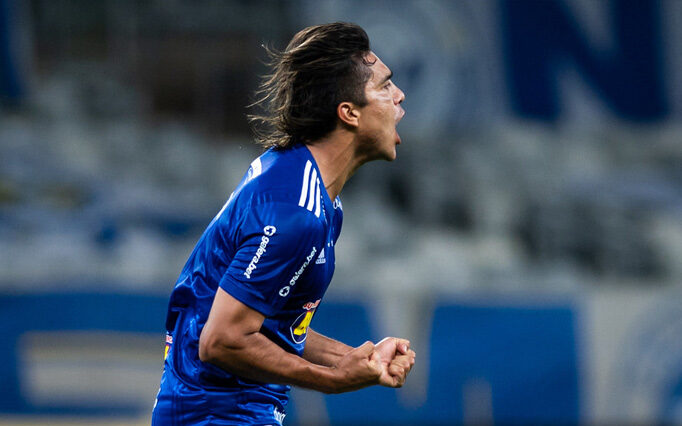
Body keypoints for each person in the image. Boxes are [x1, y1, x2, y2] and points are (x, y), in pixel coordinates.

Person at [151, 22, 415, 425]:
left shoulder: (312, 192)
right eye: (385, 86)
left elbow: (274, 326)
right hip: (215, 416)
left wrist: (353, 359)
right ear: (348, 113)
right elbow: (221, 340)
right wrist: (332, 381)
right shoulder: (296, 213)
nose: (399, 96)